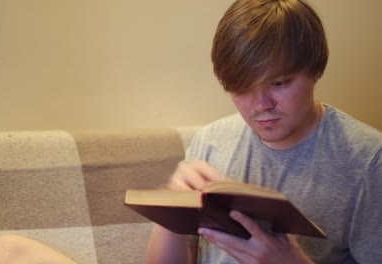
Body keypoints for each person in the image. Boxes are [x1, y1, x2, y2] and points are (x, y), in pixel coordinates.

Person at [146, 0, 382, 263]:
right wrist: (172, 213)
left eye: (279, 83)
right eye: (242, 88)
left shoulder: (370, 162)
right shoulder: (210, 141)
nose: (260, 106)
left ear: (316, 69)